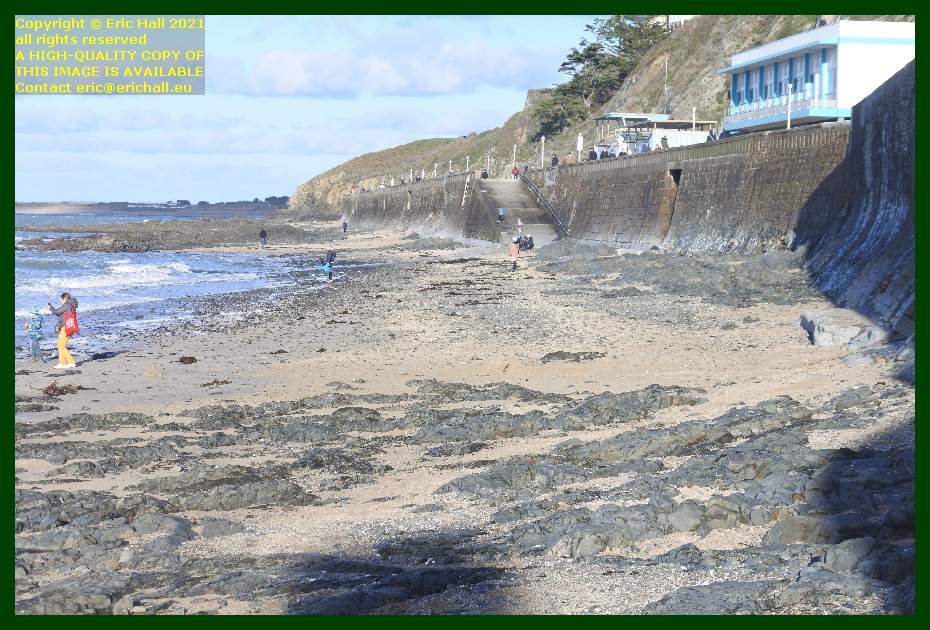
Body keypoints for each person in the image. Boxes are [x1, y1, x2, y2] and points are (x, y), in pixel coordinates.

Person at [48, 292, 78, 369]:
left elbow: (57, 312)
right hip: (69, 327)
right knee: (60, 345)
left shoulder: (67, 305)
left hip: (66, 327)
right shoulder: (71, 305)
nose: (61, 301)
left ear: (64, 298)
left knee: (61, 345)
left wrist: (51, 308)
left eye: (61, 299)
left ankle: (71, 362)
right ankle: (63, 363)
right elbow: (61, 314)